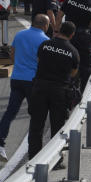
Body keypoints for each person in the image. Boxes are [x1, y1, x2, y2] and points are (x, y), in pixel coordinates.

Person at [0, 13, 50, 162]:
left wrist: (19, 64)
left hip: (17, 77)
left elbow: (12, 54)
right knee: (36, 115)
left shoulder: (20, 35)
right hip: (32, 81)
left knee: (10, 112)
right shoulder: (45, 40)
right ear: (45, 25)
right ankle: (34, 149)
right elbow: (43, 62)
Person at [27, 21, 80, 158]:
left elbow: (38, 60)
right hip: (59, 91)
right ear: (72, 34)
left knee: (36, 125)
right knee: (57, 127)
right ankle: (55, 159)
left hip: (40, 87)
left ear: (59, 30)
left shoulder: (45, 45)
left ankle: (33, 157)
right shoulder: (73, 52)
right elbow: (73, 73)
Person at [61, 0, 91, 88]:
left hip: (67, 35)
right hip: (83, 39)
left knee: (66, 60)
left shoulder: (70, 0)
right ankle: (83, 90)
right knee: (85, 66)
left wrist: (56, 30)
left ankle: (66, 83)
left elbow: (59, 15)